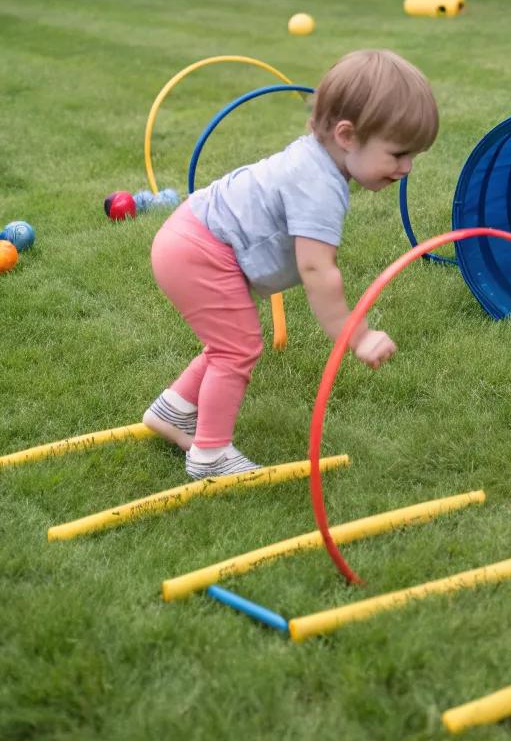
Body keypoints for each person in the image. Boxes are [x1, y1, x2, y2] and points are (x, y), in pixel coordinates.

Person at [142, 48, 439, 477]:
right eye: (398, 154)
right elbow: (317, 270)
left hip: (191, 237)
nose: (407, 167)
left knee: (228, 343)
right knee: (237, 348)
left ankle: (173, 411)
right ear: (346, 135)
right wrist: (357, 337)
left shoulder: (315, 160)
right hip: (201, 252)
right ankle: (210, 455)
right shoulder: (318, 186)